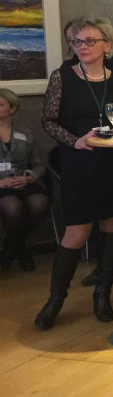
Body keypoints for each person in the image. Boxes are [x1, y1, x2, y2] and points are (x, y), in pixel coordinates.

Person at [35, 16, 113, 331]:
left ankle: (103, 294)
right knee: (76, 232)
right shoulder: (62, 76)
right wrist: (75, 141)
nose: (82, 47)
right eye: (77, 41)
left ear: (107, 45)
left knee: (112, 226)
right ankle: (55, 299)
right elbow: (48, 120)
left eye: (89, 41)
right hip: (79, 162)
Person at [0, 88, 49, 271]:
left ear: (11, 109)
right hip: (1, 185)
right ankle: (22, 250)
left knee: (40, 203)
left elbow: (40, 165)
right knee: (12, 207)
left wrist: (30, 178)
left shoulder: (25, 134)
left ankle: (12, 244)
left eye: (1, 104)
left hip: (23, 183)